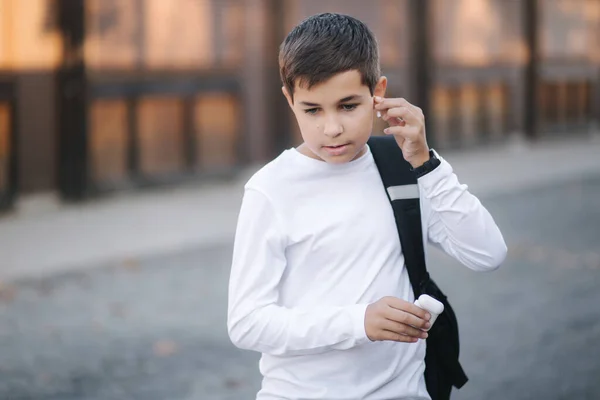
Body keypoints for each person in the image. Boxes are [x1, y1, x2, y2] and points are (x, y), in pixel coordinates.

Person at [227, 12, 507, 400]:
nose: (332, 128)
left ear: (378, 92)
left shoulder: (405, 166)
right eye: (312, 110)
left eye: (347, 106)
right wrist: (358, 321)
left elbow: (487, 254)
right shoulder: (270, 189)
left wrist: (427, 165)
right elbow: (247, 323)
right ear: (289, 99)